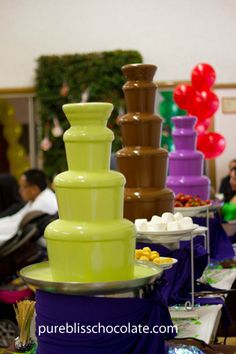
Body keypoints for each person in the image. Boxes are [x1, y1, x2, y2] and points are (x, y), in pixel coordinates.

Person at [0, 168, 58, 246]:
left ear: (34, 189)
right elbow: (15, 219)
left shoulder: (44, 203)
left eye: (22, 187)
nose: (19, 190)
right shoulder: (36, 199)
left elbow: (18, 227)